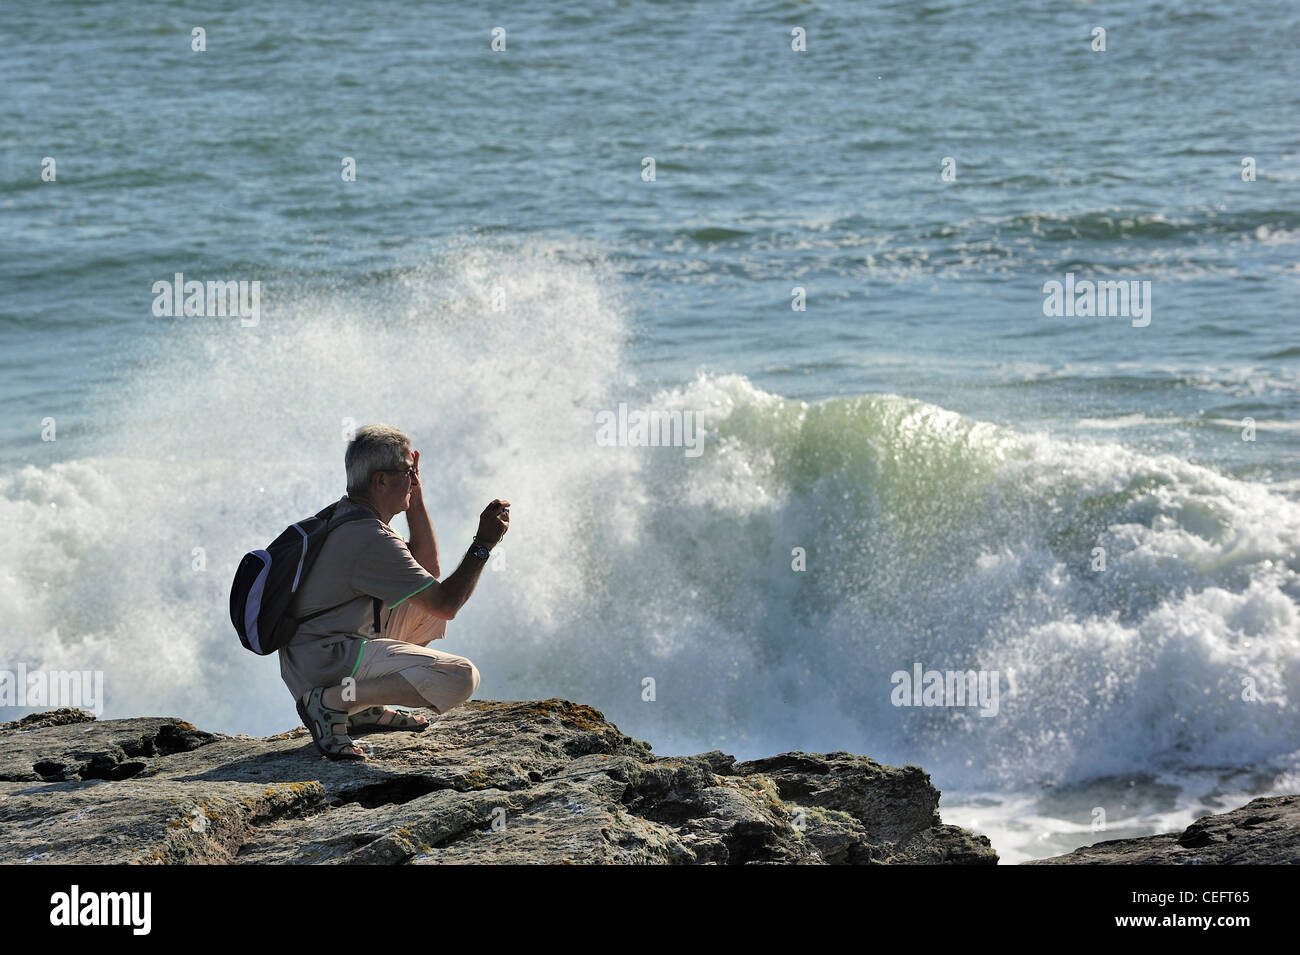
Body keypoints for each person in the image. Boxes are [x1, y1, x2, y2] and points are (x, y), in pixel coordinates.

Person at [280, 423, 509, 760]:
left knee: (424, 610)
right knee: (460, 677)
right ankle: (331, 702)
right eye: (408, 471)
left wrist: (415, 495)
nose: (414, 479)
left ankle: (360, 706)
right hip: (326, 660)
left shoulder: (348, 517)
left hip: (312, 655)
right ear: (381, 481)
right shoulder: (369, 538)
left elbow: (428, 573)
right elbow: (447, 603)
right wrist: (484, 544)